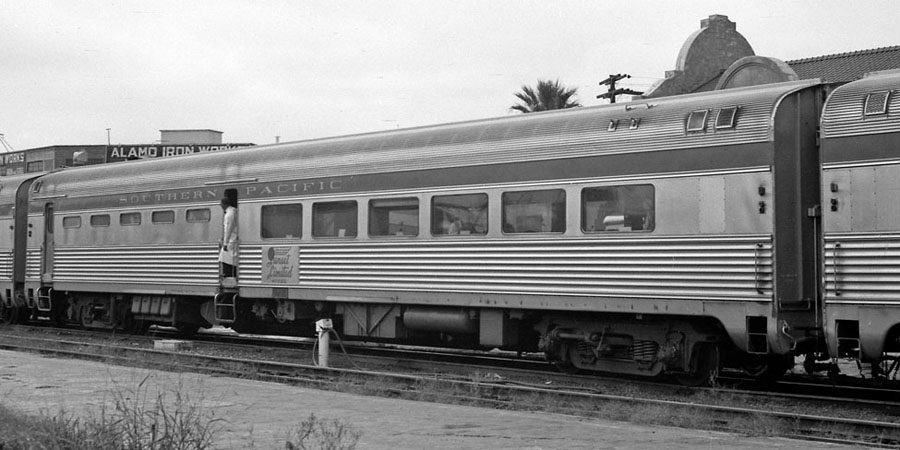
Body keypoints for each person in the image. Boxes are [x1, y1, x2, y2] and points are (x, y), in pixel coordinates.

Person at [218, 197, 238, 278]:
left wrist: (225, 243)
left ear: (224, 204)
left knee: (225, 259)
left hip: (231, 240)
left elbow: (228, 229)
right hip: (233, 239)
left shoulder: (229, 214)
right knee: (232, 260)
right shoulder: (234, 210)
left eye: (221, 204)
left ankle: (228, 277)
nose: (220, 205)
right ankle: (231, 275)